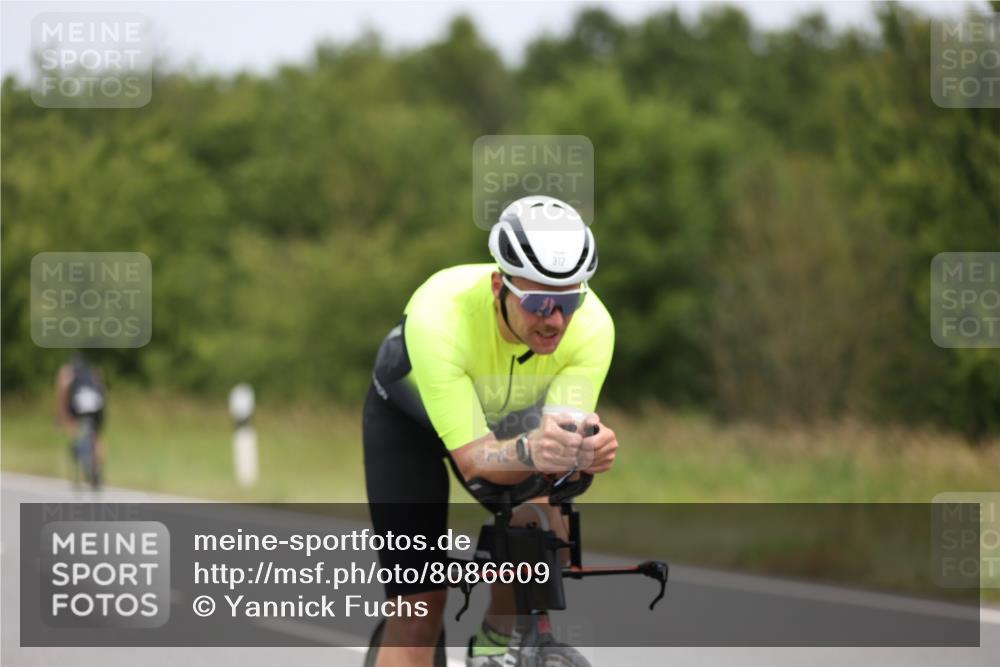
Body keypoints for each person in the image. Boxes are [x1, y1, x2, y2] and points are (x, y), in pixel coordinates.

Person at [363, 195, 618, 667]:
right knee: (420, 609)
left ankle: (495, 644)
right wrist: (534, 448)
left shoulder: (594, 328)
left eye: (568, 302)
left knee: (544, 532)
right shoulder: (440, 314)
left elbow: (556, 449)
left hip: (505, 416)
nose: (555, 320)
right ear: (500, 284)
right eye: (540, 302)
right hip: (408, 424)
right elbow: (476, 461)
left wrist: (585, 452)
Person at [55, 352, 107, 485]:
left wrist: (61, 416)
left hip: (79, 401)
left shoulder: (67, 371)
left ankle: (78, 446)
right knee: (96, 435)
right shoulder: (93, 371)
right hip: (97, 402)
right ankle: (97, 469)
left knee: (74, 425)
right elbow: (102, 388)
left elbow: (62, 391)